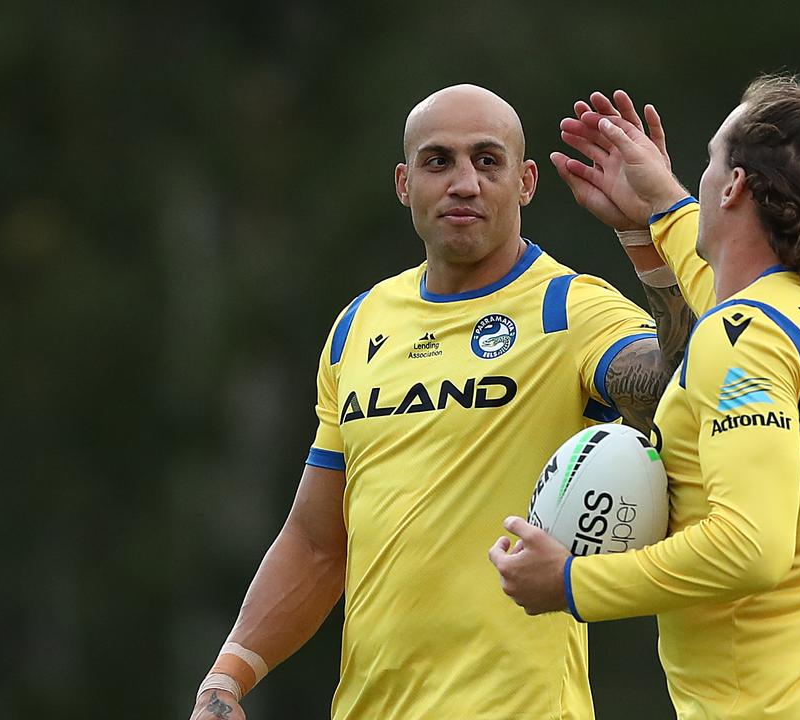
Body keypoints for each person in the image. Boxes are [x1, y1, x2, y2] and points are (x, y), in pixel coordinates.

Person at [187, 84, 696, 720]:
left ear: (526, 182)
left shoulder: (569, 307)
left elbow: (680, 391)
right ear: (404, 184)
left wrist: (649, 237)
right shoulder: (359, 325)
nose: (463, 183)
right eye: (438, 162)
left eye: (488, 161)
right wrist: (227, 677)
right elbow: (319, 543)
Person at [490, 67, 800, 718]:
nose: (702, 179)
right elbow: (723, 290)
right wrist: (656, 205)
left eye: (710, 163)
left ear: (736, 186)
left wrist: (571, 582)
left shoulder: (744, 339)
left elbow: (750, 549)